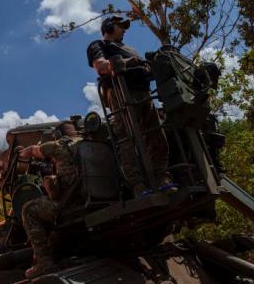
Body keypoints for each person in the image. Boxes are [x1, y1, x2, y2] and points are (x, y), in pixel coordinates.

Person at [86, 16, 170, 197]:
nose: (124, 30)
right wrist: (122, 63)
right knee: (127, 140)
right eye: (120, 26)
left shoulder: (130, 49)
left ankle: (161, 178)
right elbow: (101, 66)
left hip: (145, 96)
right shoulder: (99, 45)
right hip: (121, 94)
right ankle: (137, 185)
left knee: (157, 136)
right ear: (108, 27)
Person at [19, 122, 83, 278]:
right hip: (88, 199)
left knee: (29, 210)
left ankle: (44, 263)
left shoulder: (59, 145)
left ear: (59, 136)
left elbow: (32, 151)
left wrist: (21, 152)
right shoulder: (85, 143)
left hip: (71, 204)